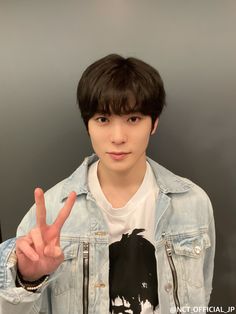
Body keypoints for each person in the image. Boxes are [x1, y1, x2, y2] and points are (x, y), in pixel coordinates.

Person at [0, 54, 215, 314]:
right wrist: (29, 280)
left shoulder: (192, 203)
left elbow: (200, 296)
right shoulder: (52, 213)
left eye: (133, 119)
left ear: (154, 123)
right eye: (103, 119)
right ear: (88, 125)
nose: (118, 137)